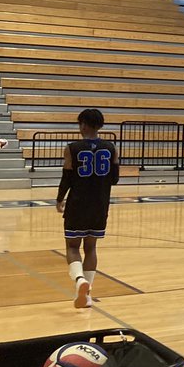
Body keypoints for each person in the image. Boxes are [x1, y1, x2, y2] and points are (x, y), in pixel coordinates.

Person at [56, 108, 120, 309]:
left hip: (77, 203)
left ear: (83, 124)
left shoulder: (72, 148)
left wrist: (59, 199)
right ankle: (88, 294)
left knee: (72, 247)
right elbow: (115, 179)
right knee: (91, 247)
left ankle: (79, 281)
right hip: (100, 204)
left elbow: (66, 178)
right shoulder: (111, 148)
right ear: (100, 125)